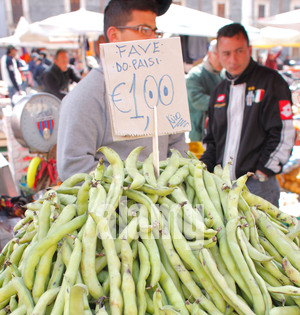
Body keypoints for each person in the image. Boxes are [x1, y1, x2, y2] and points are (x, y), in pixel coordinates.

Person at [56, 0, 187, 182]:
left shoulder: (160, 86)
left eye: (155, 32)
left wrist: (170, 185)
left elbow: (177, 145)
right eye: (144, 30)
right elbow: (73, 167)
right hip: (115, 209)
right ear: (114, 35)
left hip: (167, 206)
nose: (152, 40)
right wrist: (137, 191)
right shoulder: (85, 98)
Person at [201, 23, 296, 207]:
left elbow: (284, 133)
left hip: (259, 188)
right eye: (226, 53)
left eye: (239, 51)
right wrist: (203, 170)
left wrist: (263, 172)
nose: (233, 59)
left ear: (249, 50)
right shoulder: (218, 92)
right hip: (224, 188)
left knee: (259, 236)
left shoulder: (271, 82)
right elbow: (210, 141)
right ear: (218, 55)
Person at [186, 39, 223, 143]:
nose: (222, 60)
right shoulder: (195, 75)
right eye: (219, 55)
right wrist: (225, 101)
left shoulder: (224, 74)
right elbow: (198, 101)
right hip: (199, 134)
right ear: (210, 54)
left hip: (219, 133)